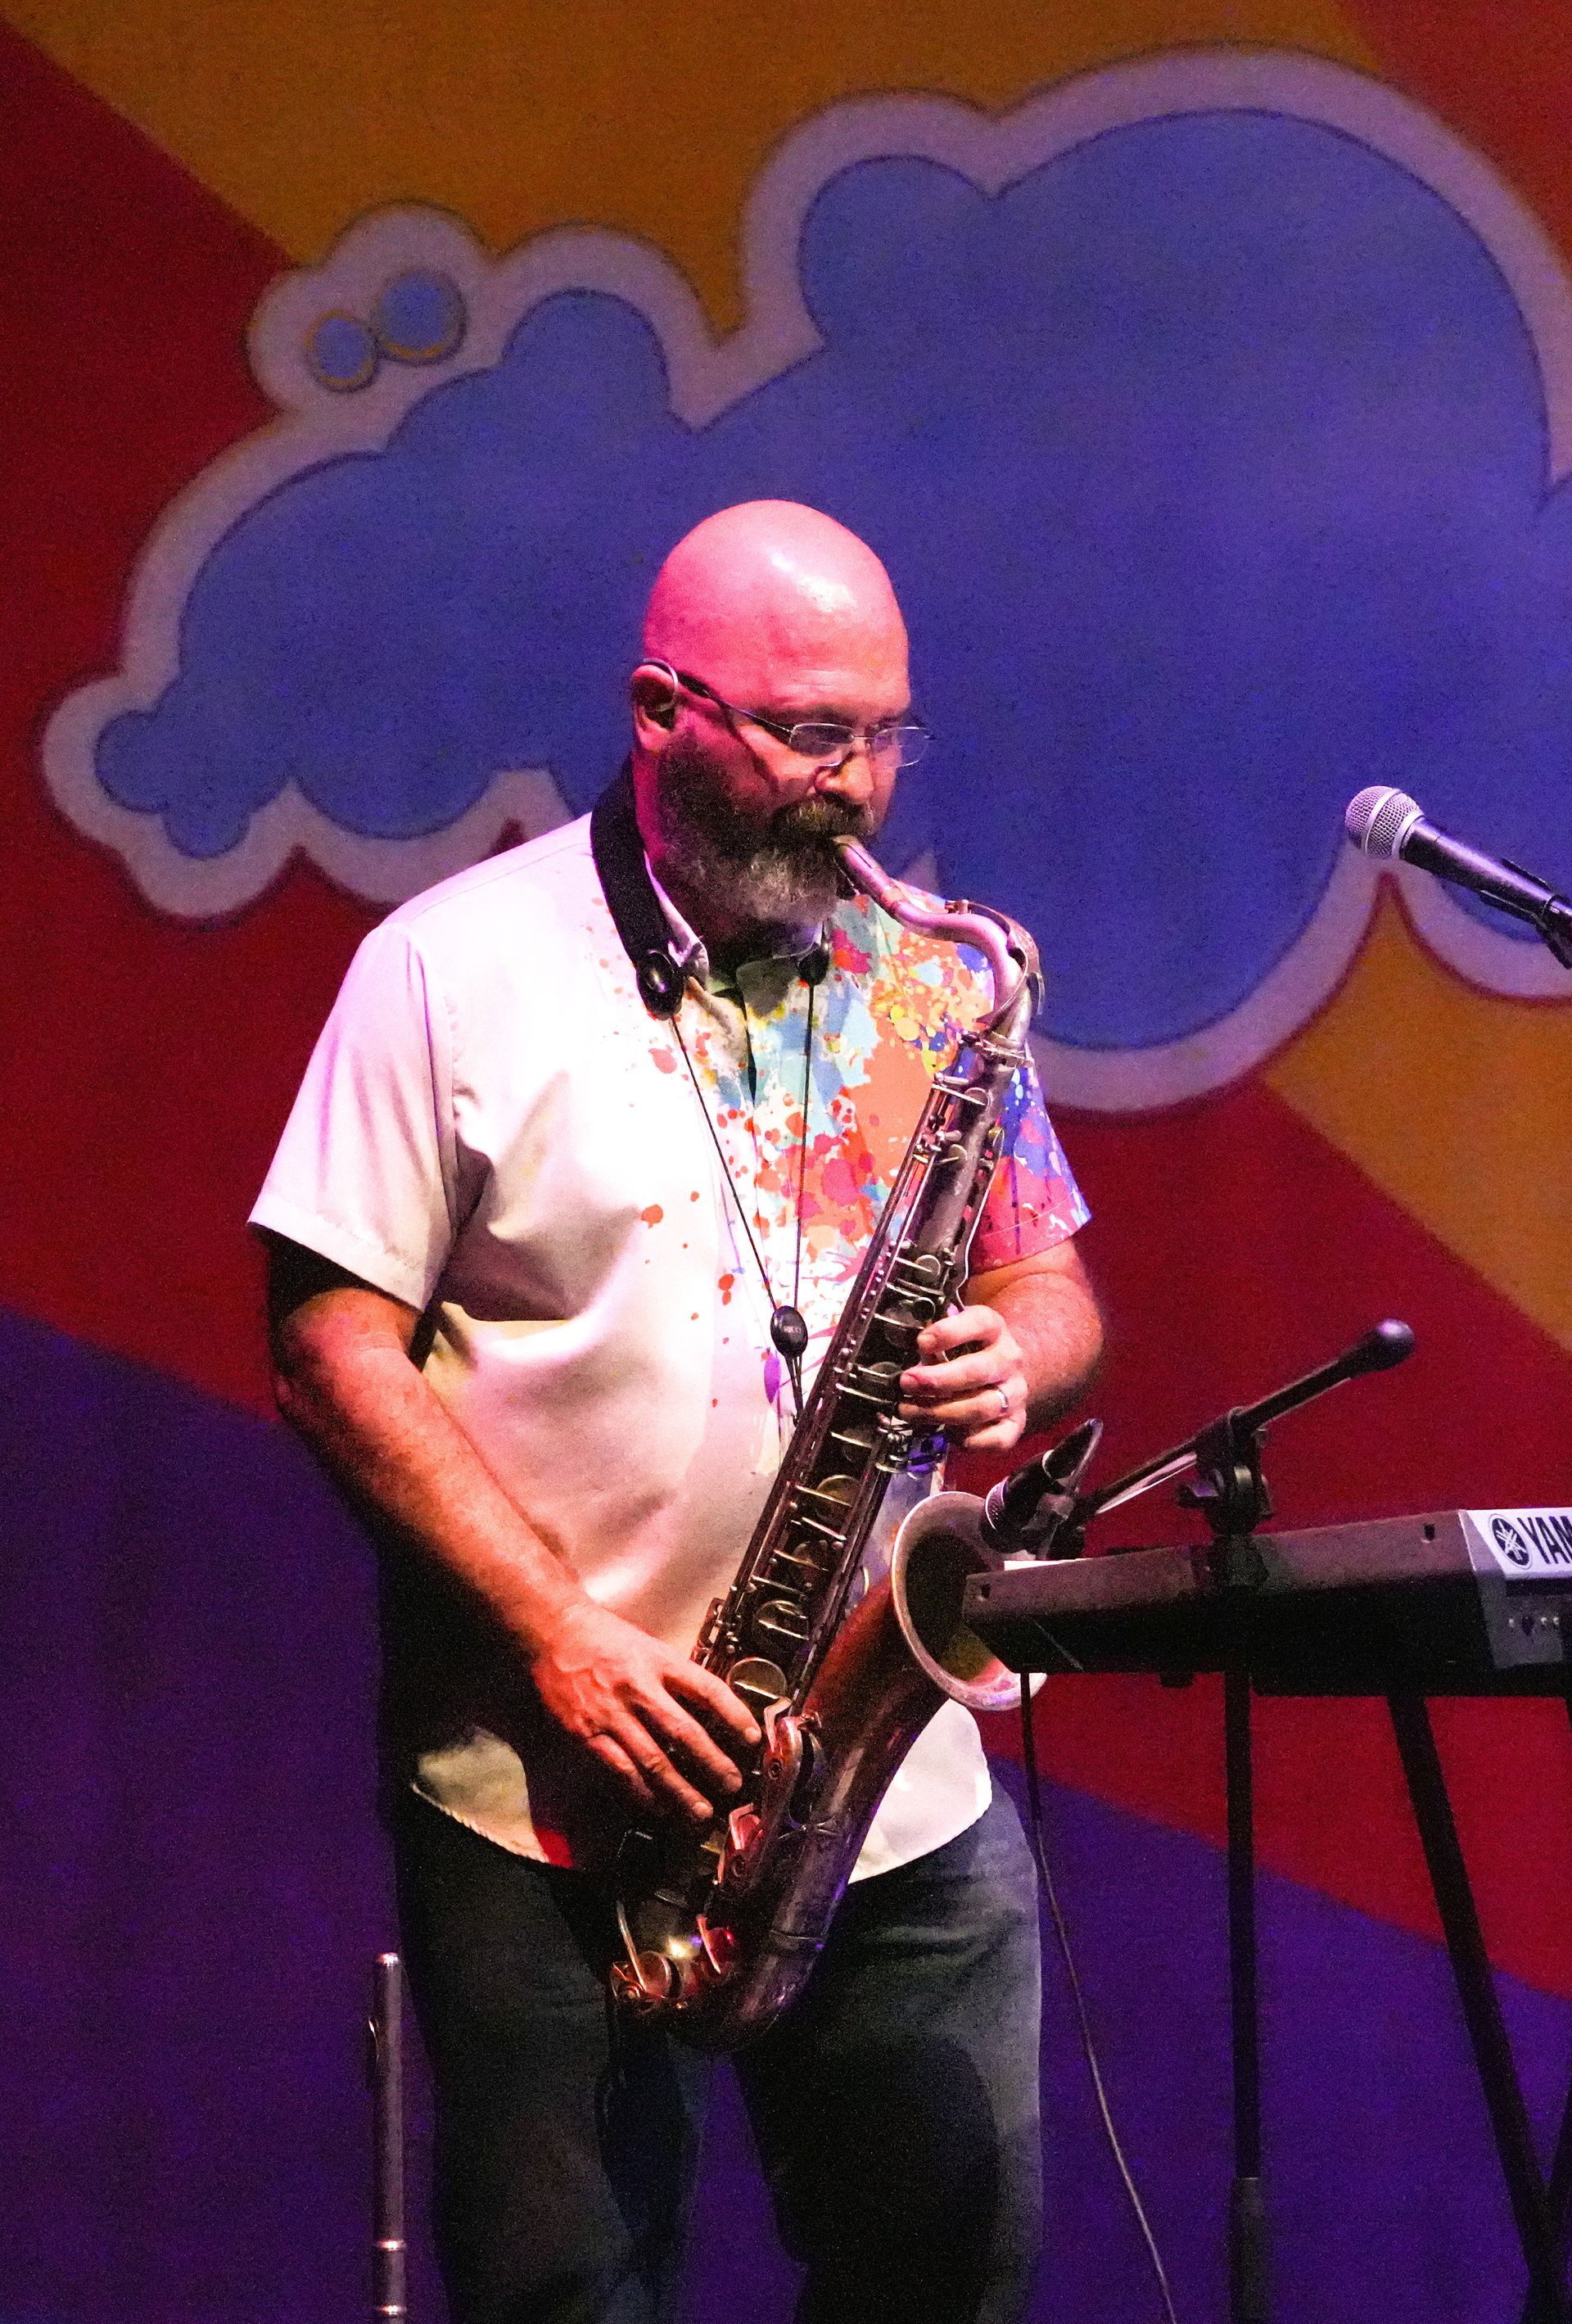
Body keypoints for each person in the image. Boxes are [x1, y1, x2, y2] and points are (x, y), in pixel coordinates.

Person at [255, 500, 1103, 2324]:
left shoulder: (938, 983)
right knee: (570, 2296)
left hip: (880, 1784)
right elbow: (329, 1347)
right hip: (558, 1784)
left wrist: (1023, 1354)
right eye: (808, 733)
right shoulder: (452, 969)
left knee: (951, 2277)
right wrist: (558, 1639)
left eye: (883, 732)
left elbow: (1055, 1289)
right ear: (661, 712)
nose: (855, 783)